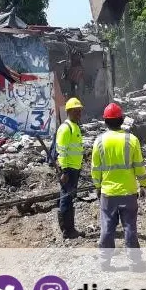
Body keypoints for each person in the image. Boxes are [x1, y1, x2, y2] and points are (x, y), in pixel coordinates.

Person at [91, 103, 146, 271]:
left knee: (107, 228)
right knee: (130, 227)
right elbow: (139, 166)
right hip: (129, 192)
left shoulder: (99, 141)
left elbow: (95, 169)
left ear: (104, 121)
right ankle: (135, 263)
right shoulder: (132, 140)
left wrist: (97, 187)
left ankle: (104, 262)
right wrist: (144, 185)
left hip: (108, 193)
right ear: (122, 120)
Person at [56, 98, 85, 239]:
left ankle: (69, 228)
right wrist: (64, 171)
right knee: (66, 198)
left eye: (80, 111)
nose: (79, 113)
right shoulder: (65, 128)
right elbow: (62, 151)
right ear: (69, 111)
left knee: (69, 198)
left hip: (74, 169)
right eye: (76, 111)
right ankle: (67, 230)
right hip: (68, 170)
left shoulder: (75, 126)